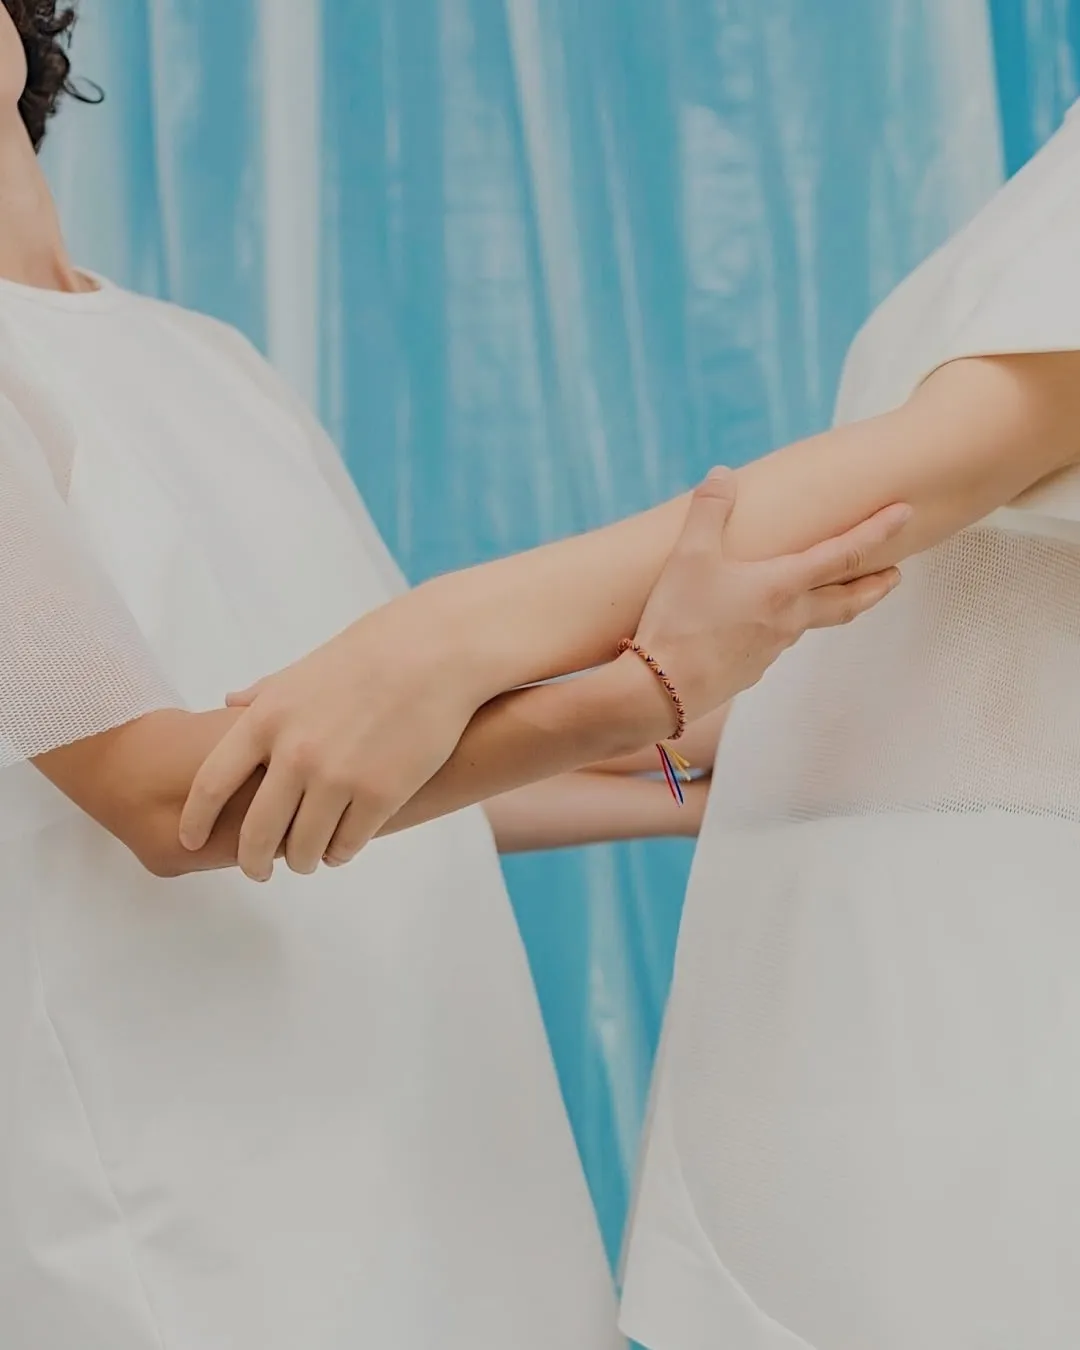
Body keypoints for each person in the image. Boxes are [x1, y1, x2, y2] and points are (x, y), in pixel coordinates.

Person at [0, 7, 906, 1349]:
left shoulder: (198, 352)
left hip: (429, 1137)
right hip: (188, 1214)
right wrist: (643, 686)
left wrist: (691, 770)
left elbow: (381, 773)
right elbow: (169, 796)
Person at [180, 82, 1080, 1350]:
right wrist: (661, 730)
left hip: (972, 1020)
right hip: (888, 1009)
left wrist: (447, 636)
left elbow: (932, 473)